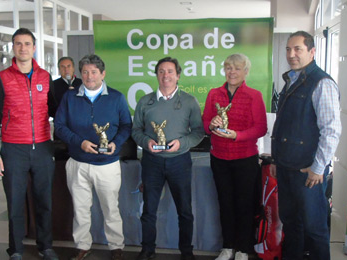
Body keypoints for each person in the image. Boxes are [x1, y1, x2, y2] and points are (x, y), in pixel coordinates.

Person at [270, 31, 341, 260]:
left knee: (314, 228)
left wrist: (319, 168)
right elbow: (285, 126)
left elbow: (331, 130)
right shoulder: (292, 79)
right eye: (288, 49)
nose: (291, 54)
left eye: (297, 49)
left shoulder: (322, 83)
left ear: (312, 52)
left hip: (309, 171)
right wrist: (276, 161)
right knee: (291, 224)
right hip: (287, 167)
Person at [0, 28, 59, 260]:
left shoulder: (45, 77)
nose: (23, 48)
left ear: (34, 47)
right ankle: (16, 249)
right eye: (18, 44)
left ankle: (45, 246)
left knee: (44, 201)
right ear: (13, 48)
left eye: (27, 43)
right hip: (13, 149)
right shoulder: (1, 78)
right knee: (15, 203)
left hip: (42, 146)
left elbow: (56, 111)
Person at [54, 54, 132, 260]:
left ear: (103, 74)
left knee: (111, 208)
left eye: (94, 72)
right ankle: (82, 246)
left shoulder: (116, 97)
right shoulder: (70, 97)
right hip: (78, 163)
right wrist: (80, 142)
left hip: (107, 164)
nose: (89, 76)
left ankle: (116, 247)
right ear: (80, 74)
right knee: (80, 209)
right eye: (85, 72)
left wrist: (116, 143)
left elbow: (126, 125)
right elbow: (60, 126)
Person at [132, 57, 204, 260]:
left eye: (170, 71)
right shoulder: (145, 101)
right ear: (157, 75)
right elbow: (135, 130)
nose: (166, 76)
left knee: (185, 211)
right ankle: (147, 250)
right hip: (152, 162)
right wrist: (146, 142)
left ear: (178, 75)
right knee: (149, 210)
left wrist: (182, 143)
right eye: (161, 71)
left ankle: (186, 252)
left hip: (179, 162)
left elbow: (198, 132)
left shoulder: (189, 101)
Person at [202, 54, 267, 260]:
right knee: (225, 203)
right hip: (219, 158)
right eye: (229, 68)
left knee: (245, 205)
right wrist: (211, 125)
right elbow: (205, 124)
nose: (232, 72)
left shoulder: (254, 95)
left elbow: (261, 128)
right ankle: (228, 246)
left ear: (246, 72)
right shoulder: (214, 94)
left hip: (245, 159)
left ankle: (243, 249)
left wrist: (238, 136)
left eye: (237, 68)